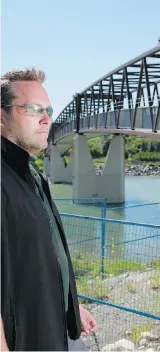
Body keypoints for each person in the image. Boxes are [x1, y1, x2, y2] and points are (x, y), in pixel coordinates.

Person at [1, 68, 98, 351]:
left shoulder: (31, 174)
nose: (46, 119)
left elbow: (44, 255)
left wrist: (70, 306)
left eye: (49, 110)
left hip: (56, 329)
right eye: (32, 109)